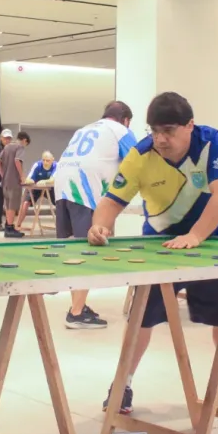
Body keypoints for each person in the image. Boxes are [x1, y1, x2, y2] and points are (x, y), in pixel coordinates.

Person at [90, 92, 218, 413]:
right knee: (141, 319)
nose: (160, 139)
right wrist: (100, 225)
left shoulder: (212, 142)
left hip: (215, 240)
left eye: (168, 131)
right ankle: (122, 382)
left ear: (189, 126)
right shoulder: (140, 154)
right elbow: (112, 201)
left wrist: (195, 235)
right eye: (154, 131)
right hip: (160, 246)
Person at [54, 101, 137, 329]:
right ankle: (77, 313)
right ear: (126, 120)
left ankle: (77, 305)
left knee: (75, 249)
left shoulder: (85, 129)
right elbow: (141, 159)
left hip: (62, 186)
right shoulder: (120, 130)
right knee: (89, 250)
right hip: (85, 189)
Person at [0, 131, 30, 238]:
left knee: (7, 204)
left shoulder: (7, 147)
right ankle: (10, 228)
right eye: (26, 143)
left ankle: (8, 226)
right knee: (12, 205)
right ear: (24, 140)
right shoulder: (20, 147)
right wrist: (22, 176)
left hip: (5, 181)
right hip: (14, 181)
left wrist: (3, 174)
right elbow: (17, 161)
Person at [18, 151, 57, 227]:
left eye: (47, 160)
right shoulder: (37, 165)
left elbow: (52, 180)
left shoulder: (56, 165)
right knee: (25, 203)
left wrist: (43, 181)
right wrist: (31, 181)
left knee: (60, 204)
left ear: (52, 160)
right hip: (36, 188)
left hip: (50, 189)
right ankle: (18, 225)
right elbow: (28, 179)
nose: (45, 162)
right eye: (43, 160)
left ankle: (63, 226)